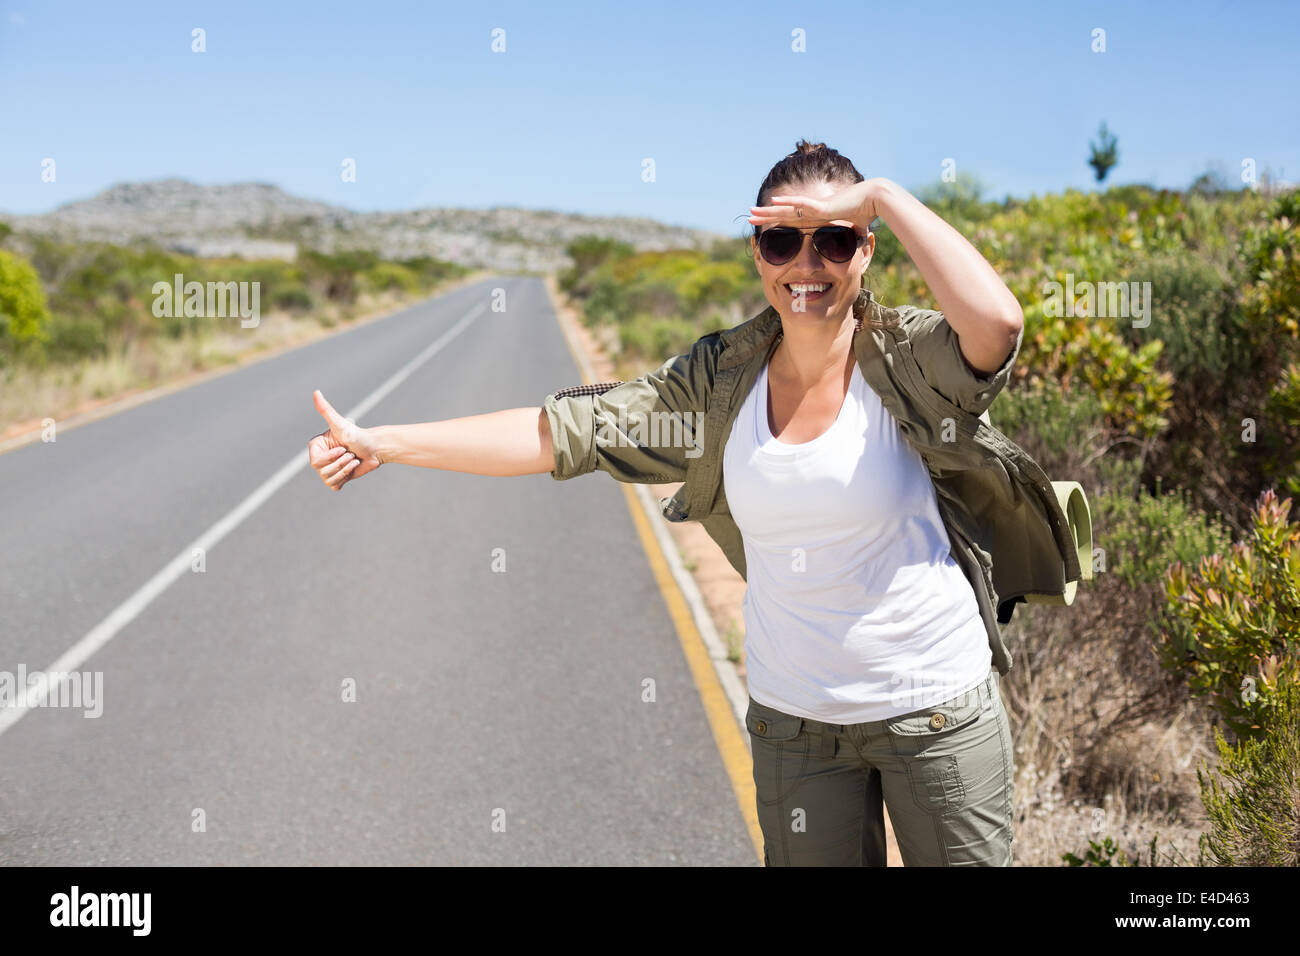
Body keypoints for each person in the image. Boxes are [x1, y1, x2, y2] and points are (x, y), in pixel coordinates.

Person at [307, 140, 1045, 867]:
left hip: (933, 711)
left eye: (835, 240)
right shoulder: (717, 383)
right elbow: (563, 431)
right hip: (796, 728)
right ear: (759, 252)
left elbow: (998, 326)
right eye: (782, 240)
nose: (806, 265)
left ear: (867, 250)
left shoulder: (911, 359)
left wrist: (882, 193)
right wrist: (386, 442)